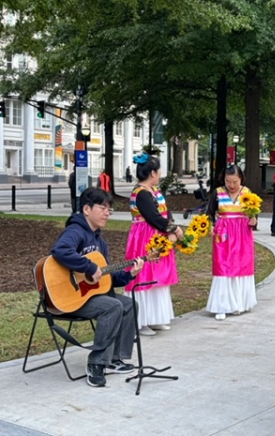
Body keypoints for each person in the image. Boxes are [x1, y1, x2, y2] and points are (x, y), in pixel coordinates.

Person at [50, 187, 145, 387]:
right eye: (103, 208)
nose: (107, 213)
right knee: (113, 306)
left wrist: (130, 273)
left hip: (90, 296)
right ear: (86, 209)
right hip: (68, 297)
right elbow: (60, 250)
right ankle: (96, 363)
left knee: (129, 305)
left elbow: (106, 278)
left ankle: (114, 359)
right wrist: (89, 266)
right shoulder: (75, 231)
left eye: (109, 210)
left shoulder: (100, 242)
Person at [125, 153, 183, 336]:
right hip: (144, 238)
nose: (159, 175)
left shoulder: (153, 190)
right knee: (143, 276)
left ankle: (155, 318)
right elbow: (153, 217)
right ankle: (141, 322)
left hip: (156, 235)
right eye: (158, 172)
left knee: (157, 275)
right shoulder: (141, 193)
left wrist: (170, 224)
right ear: (152, 173)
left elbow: (165, 213)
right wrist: (174, 229)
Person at [206, 164, 258, 320]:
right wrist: (210, 226)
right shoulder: (218, 193)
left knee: (242, 265)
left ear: (241, 178)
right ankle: (222, 305)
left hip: (243, 234)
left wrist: (254, 220)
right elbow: (209, 213)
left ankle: (240, 303)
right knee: (223, 266)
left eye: (235, 181)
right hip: (224, 233)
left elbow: (254, 215)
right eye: (228, 181)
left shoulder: (248, 193)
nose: (232, 185)